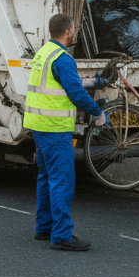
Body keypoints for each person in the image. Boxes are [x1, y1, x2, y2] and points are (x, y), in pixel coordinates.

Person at [24, 13, 108, 251]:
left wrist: (95, 82)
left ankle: (44, 227)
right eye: (74, 29)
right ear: (68, 31)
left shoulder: (43, 53)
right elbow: (76, 93)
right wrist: (98, 114)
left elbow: (63, 83)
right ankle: (61, 235)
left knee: (46, 176)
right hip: (55, 128)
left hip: (38, 125)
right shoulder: (63, 58)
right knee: (62, 180)